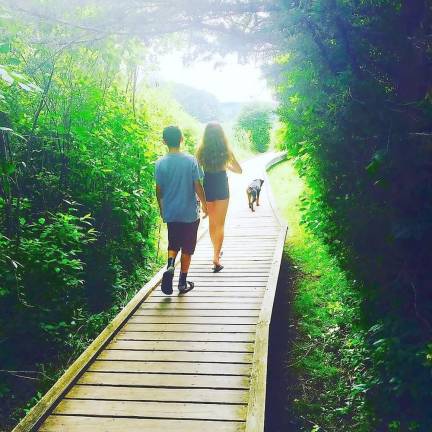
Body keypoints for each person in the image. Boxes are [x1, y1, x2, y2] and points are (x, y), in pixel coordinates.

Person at [155, 126, 208, 295]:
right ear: (182, 139)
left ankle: (170, 264)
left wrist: (162, 209)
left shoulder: (160, 163)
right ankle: (182, 283)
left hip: (172, 212)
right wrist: (205, 205)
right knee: (187, 247)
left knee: (173, 242)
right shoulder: (191, 160)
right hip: (189, 214)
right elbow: (197, 185)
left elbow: (159, 189)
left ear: (164, 141)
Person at [196, 122, 242, 272]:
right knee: (220, 224)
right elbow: (239, 170)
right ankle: (216, 257)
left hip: (208, 185)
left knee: (212, 222)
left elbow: (197, 171)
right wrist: (225, 166)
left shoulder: (201, 151)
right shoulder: (225, 150)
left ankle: (215, 250)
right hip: (222, 185)